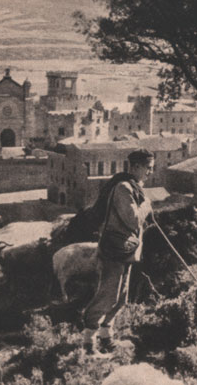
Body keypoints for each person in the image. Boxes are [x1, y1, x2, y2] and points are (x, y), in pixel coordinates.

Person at [81, 148, 154, 354]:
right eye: (148, 168)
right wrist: (146, 206)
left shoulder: (134, 187)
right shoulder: (123, 188)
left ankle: (106, 337)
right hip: (114, 250)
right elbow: (133, 220)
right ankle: (88, 342)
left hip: (126, 250)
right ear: (136, 167)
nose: (150, 172)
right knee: (108, 296)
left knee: (121, 298)